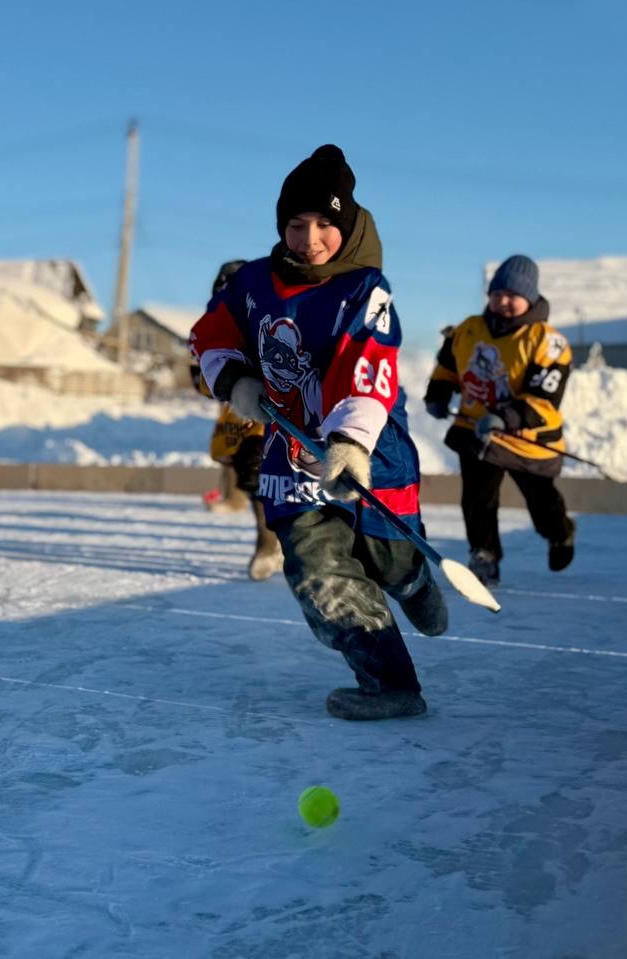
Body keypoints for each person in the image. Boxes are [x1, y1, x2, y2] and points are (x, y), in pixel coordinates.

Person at [189, 144, 447, 721]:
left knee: (385, 557)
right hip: (290, 453)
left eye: (325, 223)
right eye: (297, 224)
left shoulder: (364, 290)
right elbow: (211, 331)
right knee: (317, 572)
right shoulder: (253, 284)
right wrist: (234, 379)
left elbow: (368, 364)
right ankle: (389, 683)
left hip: (369, 453)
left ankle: (412, 582)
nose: (310, 238)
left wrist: (351, 441)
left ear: (347, 225)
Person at [423, 255, 575, 587]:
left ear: (530, 298)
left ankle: (560, 533)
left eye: (512, 295)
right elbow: (447, 367)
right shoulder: (468, 330)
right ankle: (484, 555)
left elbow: (544, 398)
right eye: (497, 294)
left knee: (542, 501)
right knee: (478, 498)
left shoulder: (548, 342)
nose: (503, 301)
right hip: (475, 431)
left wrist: (503, 418)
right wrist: (437, 394)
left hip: (528, 439)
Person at [194, 259, 282, 580]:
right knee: (247, 469)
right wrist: (220, 380)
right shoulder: (212, 326)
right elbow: (200, 374)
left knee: (270, 476)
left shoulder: (269, 316)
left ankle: (274, 542)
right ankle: (268, 540)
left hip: (276, 415)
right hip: (238, 415)